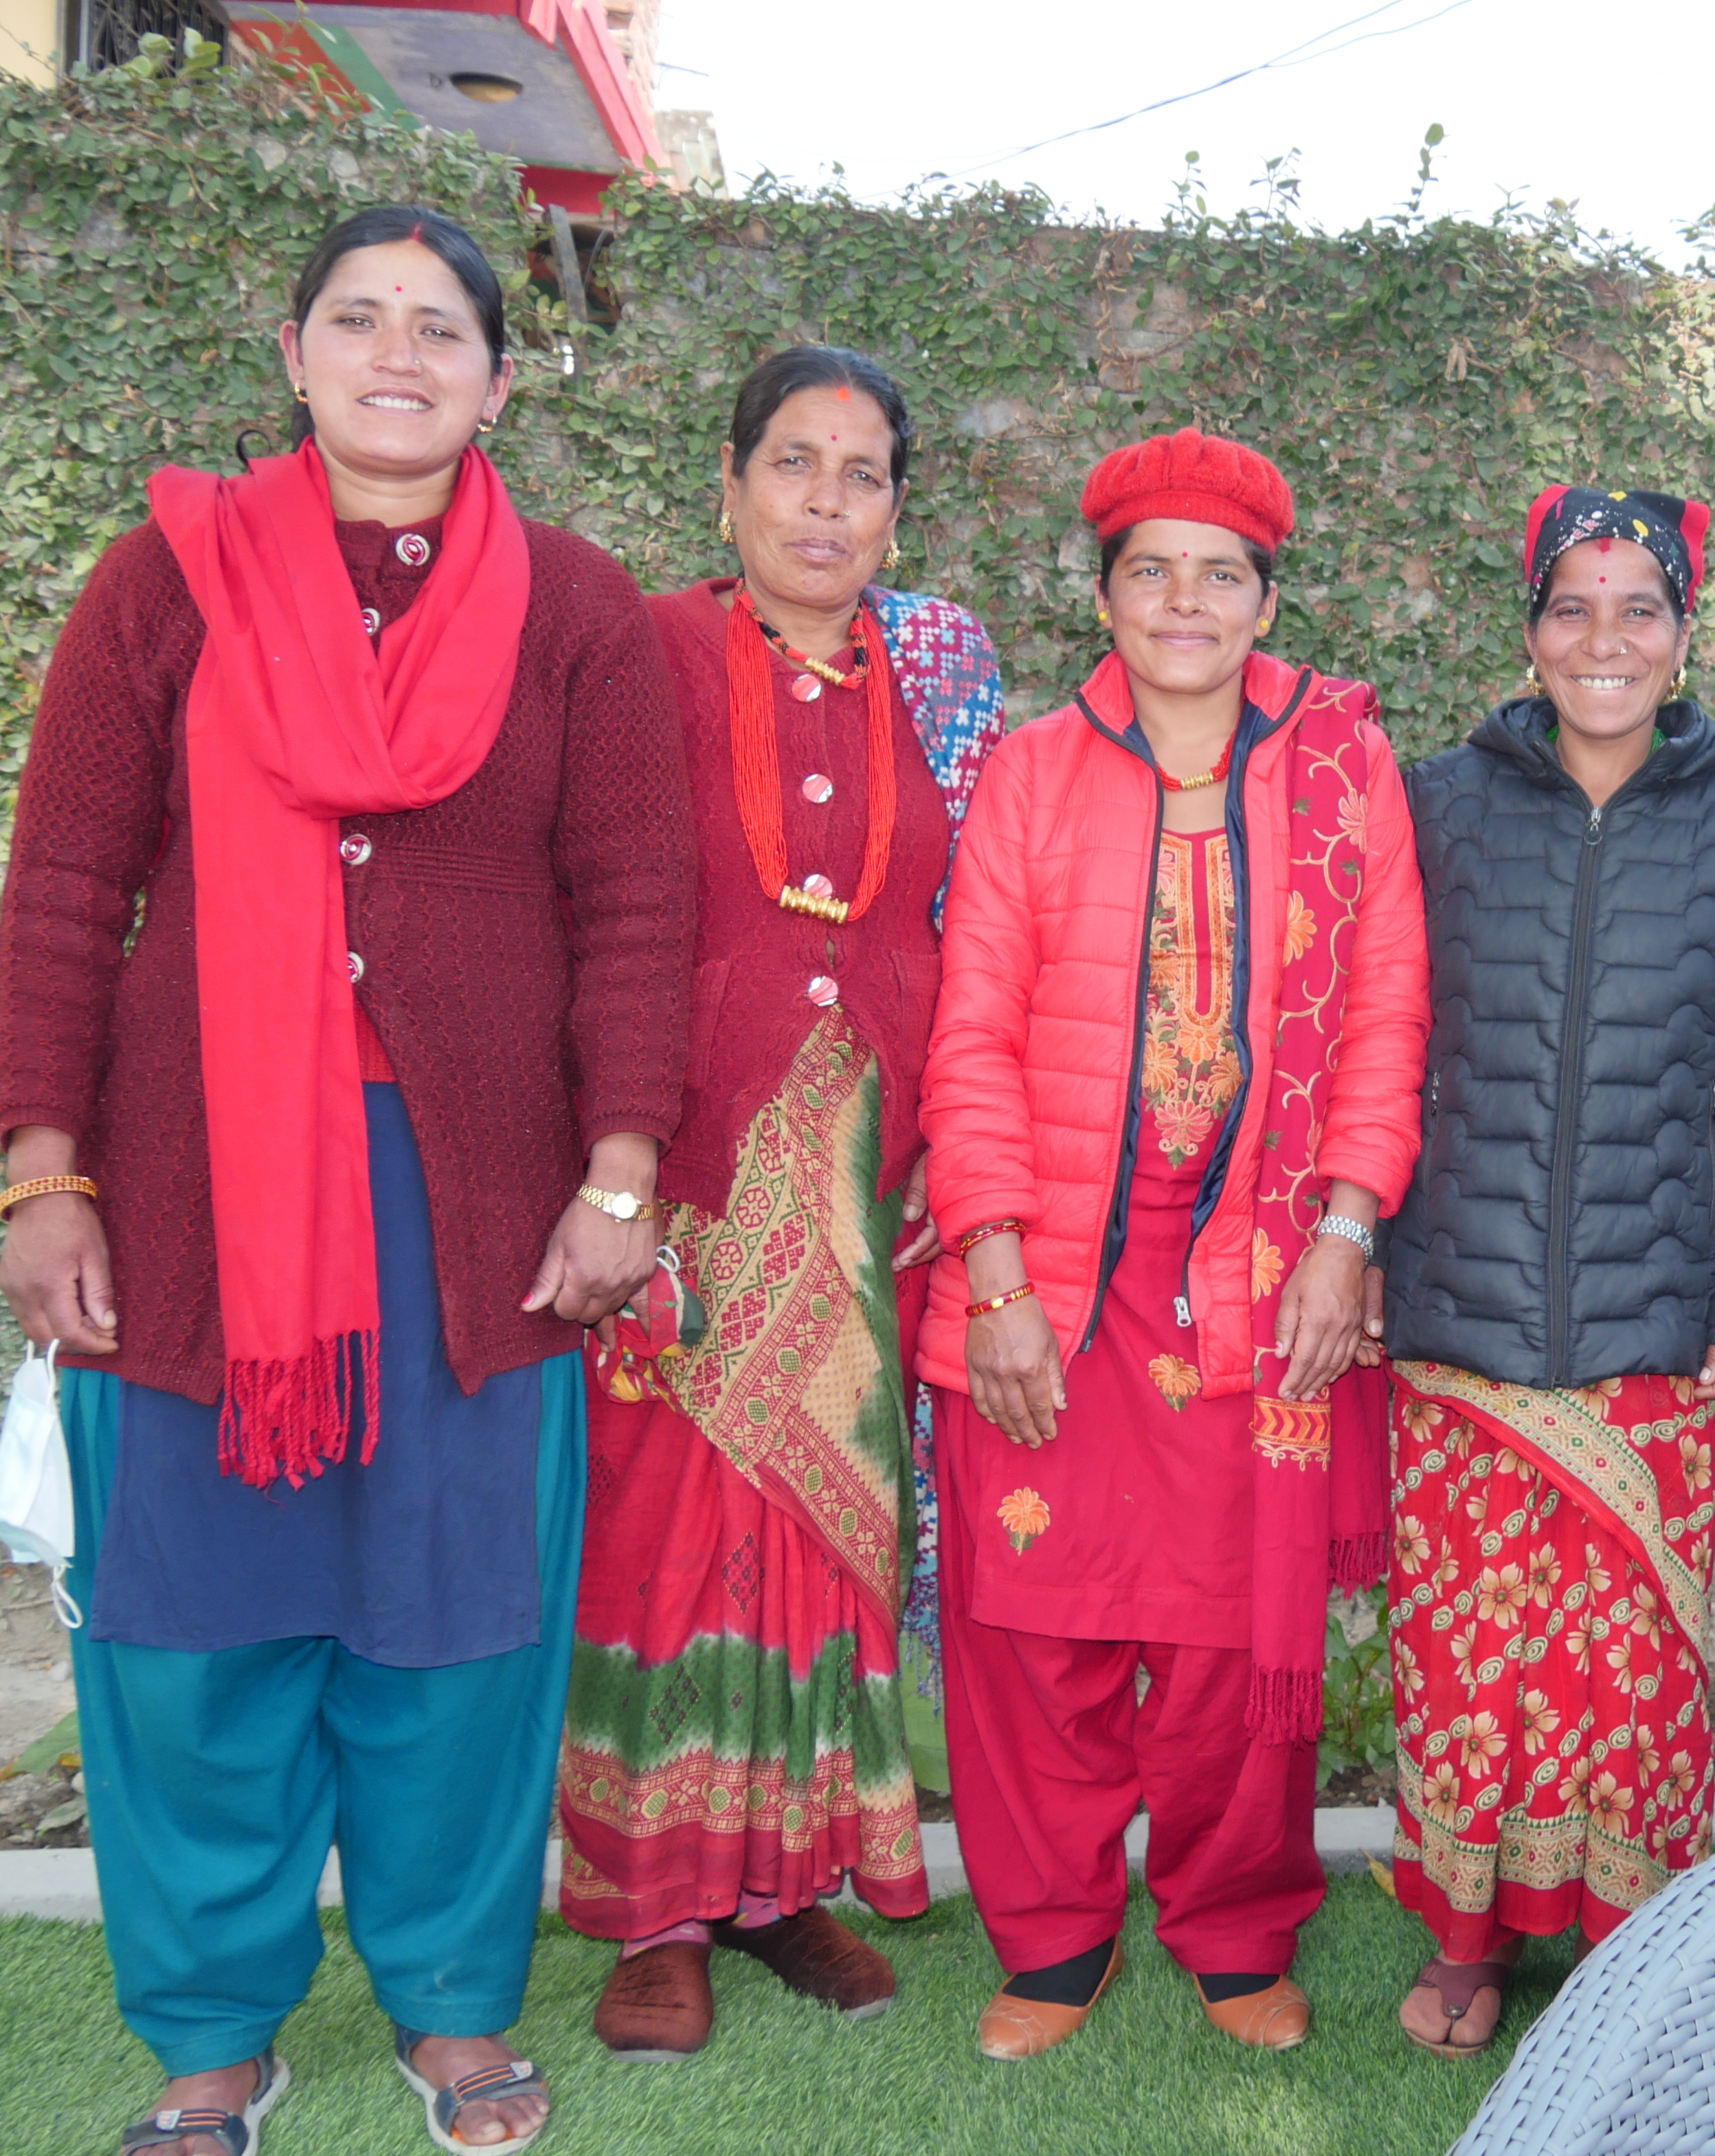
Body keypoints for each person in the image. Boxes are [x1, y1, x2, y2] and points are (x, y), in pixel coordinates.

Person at [0, 205, 695, 2155]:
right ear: (292, 350)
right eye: (359, 320)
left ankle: (457, 2009)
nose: (401, 355)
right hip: (201, 1196)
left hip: (481, 1222)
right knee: (192, 1630)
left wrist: (623, 1178)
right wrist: (40, 1173)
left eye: (443, 329)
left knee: (457, 1626)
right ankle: (213, 2032)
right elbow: (65, 884)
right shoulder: (168, 583)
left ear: (494, 374)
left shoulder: (575, 609)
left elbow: (639, 904)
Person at [917, 427, 1428, 2058]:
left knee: (1225, 1638)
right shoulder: (1030, 771)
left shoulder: (1345, 767)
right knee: (1037, 1624)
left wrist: (1349, 1236)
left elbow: (1389, 1024)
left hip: (1260, 1272)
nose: (1185, 600)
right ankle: (1055, 1939)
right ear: (1108, 597)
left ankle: (1230, 1926)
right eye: (1152, 571)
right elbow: (970, 1034)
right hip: (1059, 1272)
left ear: (1267, 598)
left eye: (1221, 572)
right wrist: (992, 1267)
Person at [559, 346, 1005, 2057]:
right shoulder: (642, 653)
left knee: (824, 1533)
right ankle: (655, 1906)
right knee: (664, 1531)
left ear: (897, 508)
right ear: (730, 482)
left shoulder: (941, 677)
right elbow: (597, 904)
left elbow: (962, 932)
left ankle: (786, 1882)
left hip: (861, 1168)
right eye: (796, 465)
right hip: (679, 1163)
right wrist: (615, 1155)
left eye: (864, 473)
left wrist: (927, 1160)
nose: (828, 502)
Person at [1370, 484, 1715, 2057]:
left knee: (1631, 1675)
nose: (1606, 638)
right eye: (1575, 606)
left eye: (1641, 607)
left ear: (1685, 633)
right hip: (1459, 1312)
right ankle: (1470, 1939)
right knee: (1469, 1662)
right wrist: (1355, 1239)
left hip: (1659, 1322)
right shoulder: (1434, 804)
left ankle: (1632, 1949)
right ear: (1529, 632)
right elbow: (1383, 1045)